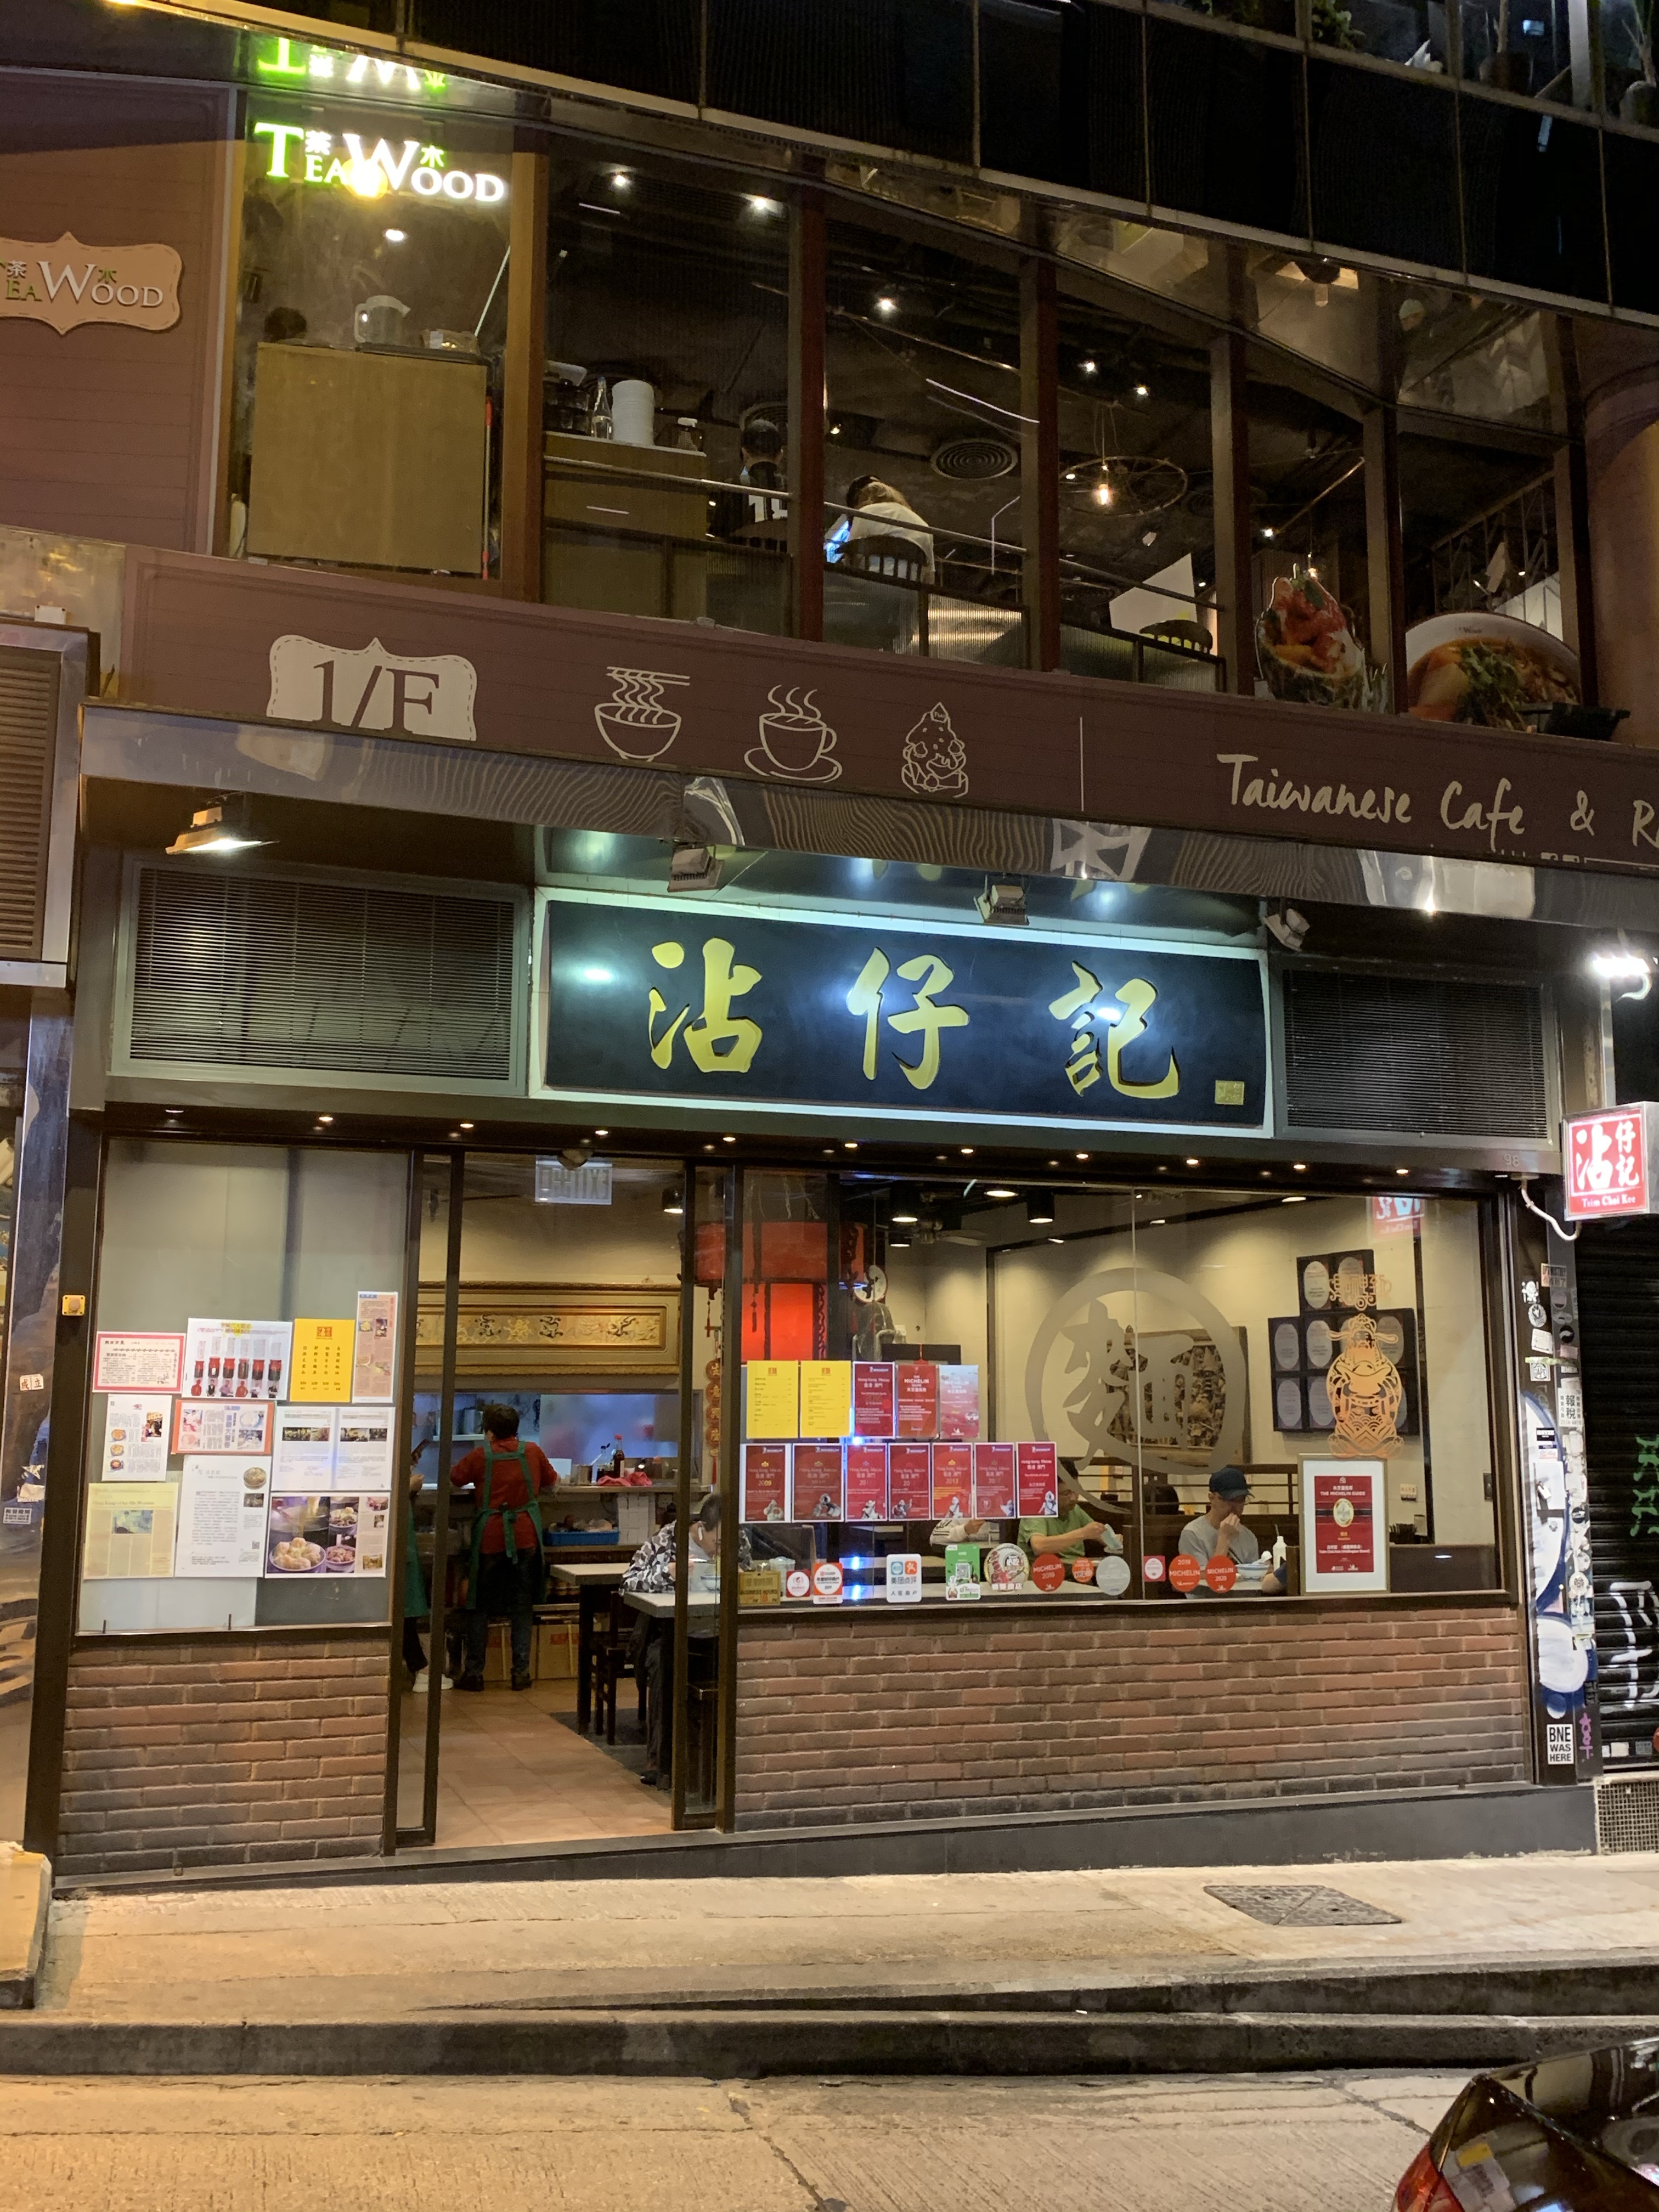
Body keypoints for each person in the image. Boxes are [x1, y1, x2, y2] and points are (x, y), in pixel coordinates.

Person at [622, 1493, 752, 1787]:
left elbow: (750, 1576)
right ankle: (660, 1760)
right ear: (702, 1529)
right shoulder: (668, 1540)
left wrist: (744, 1577)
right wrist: (667, 1573)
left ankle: (733, 1759)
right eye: (719, 1543)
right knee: (663, 1668)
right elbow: (628, 1582)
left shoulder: (739, 1541)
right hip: (674, 1635)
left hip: (719, 1635)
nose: (722, 1550)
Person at [449, 1404, 558, 1690]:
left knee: (479, 1606)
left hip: (490, 1538)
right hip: (525, 1536)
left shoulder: (480, 1455)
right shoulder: (532, 1451)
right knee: (521, 1606)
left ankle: (474, 1673)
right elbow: (552, 1480)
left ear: (489, 1431)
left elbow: (456, 1478)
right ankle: (521, 1673)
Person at [1177, 1466, 1285, 1595]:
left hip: (1244, 1603)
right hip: (1206, 1603)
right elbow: (1204, 1581)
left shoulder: (1248, 1536)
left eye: (1241, 1500)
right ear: (1212, 1498)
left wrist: (1263, 1572)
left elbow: (1253, 1585)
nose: (1236, 1507)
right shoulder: (1192, 1533)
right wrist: (1224, 1539)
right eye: (1230, 1500)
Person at [1019, 1459, 1124, 1564]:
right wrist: (1083, 1533)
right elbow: (1039, 1546)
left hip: (1078, 1569)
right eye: (1066, 1494)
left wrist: (1114, 1540)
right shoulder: (1037, 1510)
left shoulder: (1074, 1509)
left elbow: (1097, 1532)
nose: (1074, 1498)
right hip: (1047, 1570)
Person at [832, 474, 935, 580]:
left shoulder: (865, 513)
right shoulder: (923, 525)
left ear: (866, 499)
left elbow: (851, 556)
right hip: (909, 588)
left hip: (870, 585)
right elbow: (929, 576)